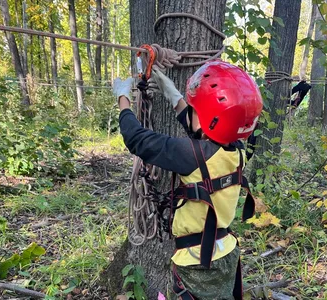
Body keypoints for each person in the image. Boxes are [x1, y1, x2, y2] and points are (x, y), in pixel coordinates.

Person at [113, 61, 263, 300]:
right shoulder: (238, 151)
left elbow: (136, 139)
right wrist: (171, 92)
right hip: (226, 254)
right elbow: (203, 125)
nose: (191, 112)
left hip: (196, 264)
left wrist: (123, 99)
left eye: (195, 108)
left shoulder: (192, 156)